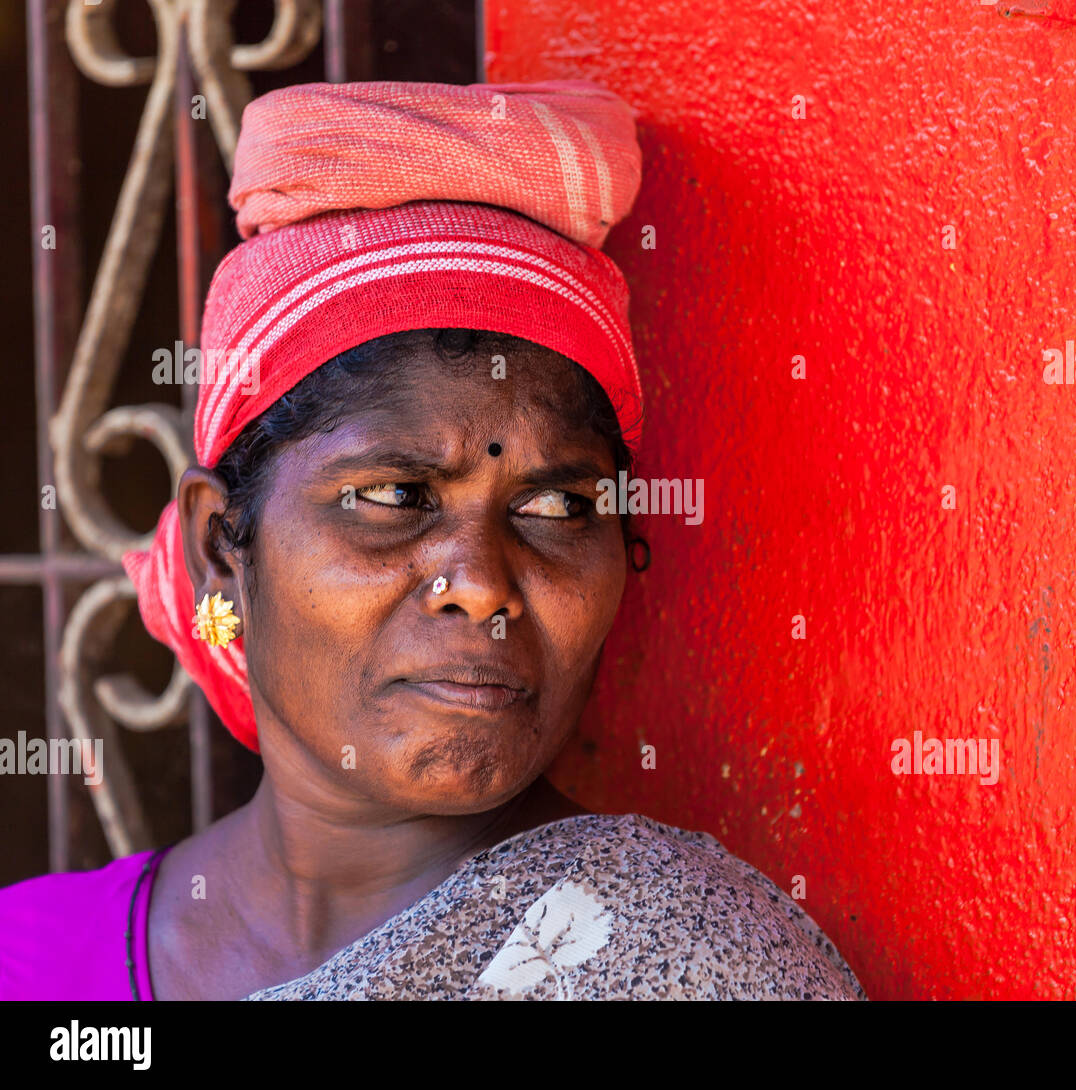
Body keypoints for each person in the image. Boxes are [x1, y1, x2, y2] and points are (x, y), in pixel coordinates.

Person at [0, 79, 865, 1001]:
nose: (483, 585)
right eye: (394, 494)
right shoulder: (32, 957)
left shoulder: (692, 964)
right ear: (222, 547)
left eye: (557, 509)